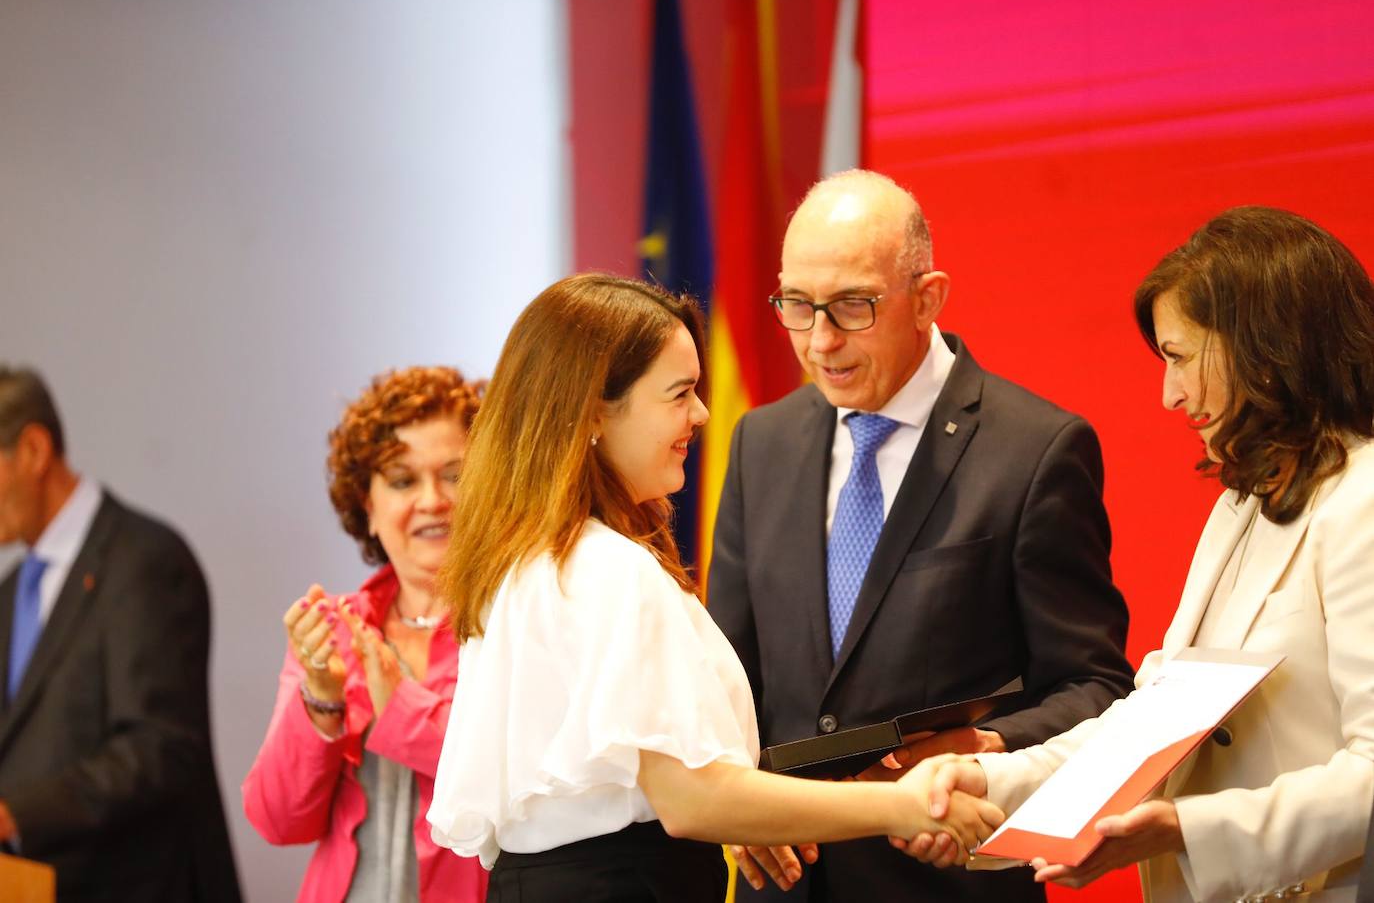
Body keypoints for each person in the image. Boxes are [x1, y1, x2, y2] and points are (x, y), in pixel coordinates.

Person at [426, 273, 1004, 903]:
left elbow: (653, 783)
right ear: (593, 409)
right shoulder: (609, 568)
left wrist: (756, 811)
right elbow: (690, 798)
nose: (701, 414)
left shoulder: (530, 560)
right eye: (678, 394)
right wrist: (901, 805)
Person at [918, 206, 1374, 902]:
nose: (1169, 395)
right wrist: (991, 781)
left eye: (1180, 357)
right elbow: (1150, 723)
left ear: (1268, 346)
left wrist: (1192, 830)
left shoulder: (1363, 500)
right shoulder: (1241, 506)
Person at [706, 169, 1137, 902]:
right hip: (785, 882)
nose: (820, 342)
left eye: (852, 307)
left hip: (947, 882)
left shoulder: (1034, 450)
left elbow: (1093, 688)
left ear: (929, 297)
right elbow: (725, 678)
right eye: (798, 307)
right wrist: (735, 796)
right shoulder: (760, 442)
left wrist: (984, 748)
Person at [243, 367, 487, 903]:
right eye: (402, 480)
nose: (432, 500)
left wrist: (399, 705)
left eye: (454, 474)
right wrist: (322, 701)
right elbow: (278, 820)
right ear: (368, 507)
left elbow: (502, 790)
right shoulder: (334, 627)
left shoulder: (513, 620)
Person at [0, 367, 241, 902]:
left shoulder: (144, 560)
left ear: (34, 451)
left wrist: (16, 812)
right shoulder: (11, 587)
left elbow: (160, 747)